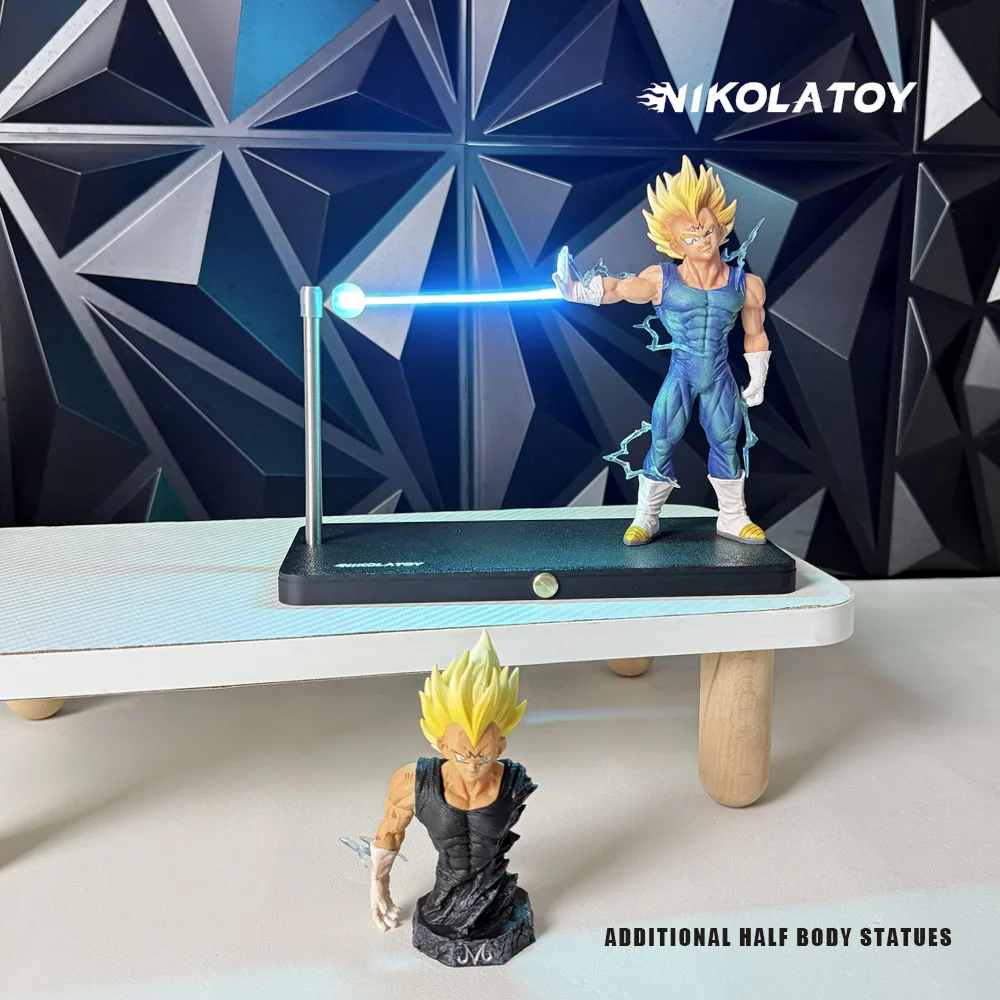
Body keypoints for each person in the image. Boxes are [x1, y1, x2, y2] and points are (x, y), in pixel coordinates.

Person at [552, 155, 771, 546]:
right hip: (682, 372)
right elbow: (620, 288)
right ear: (674, 243)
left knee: (726, 441)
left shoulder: (746, 284)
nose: (703, 241)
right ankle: (646, 518)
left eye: (708, 231)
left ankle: (733, 517)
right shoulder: (661, 280)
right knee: (663, 438)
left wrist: (758, 376)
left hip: (718, 373)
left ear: (722, 229)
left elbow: (755, 332)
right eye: (691, 237)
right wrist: (580, 291)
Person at [369, 630, 536, 967]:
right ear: (441, 745)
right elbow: (390, 831)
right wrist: (378, 882)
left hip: (497, 898)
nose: (473, 765)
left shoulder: (514, 782)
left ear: (501, 747)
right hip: (440, 904)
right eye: (462, 756)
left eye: (484, 756)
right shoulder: (412, 782)